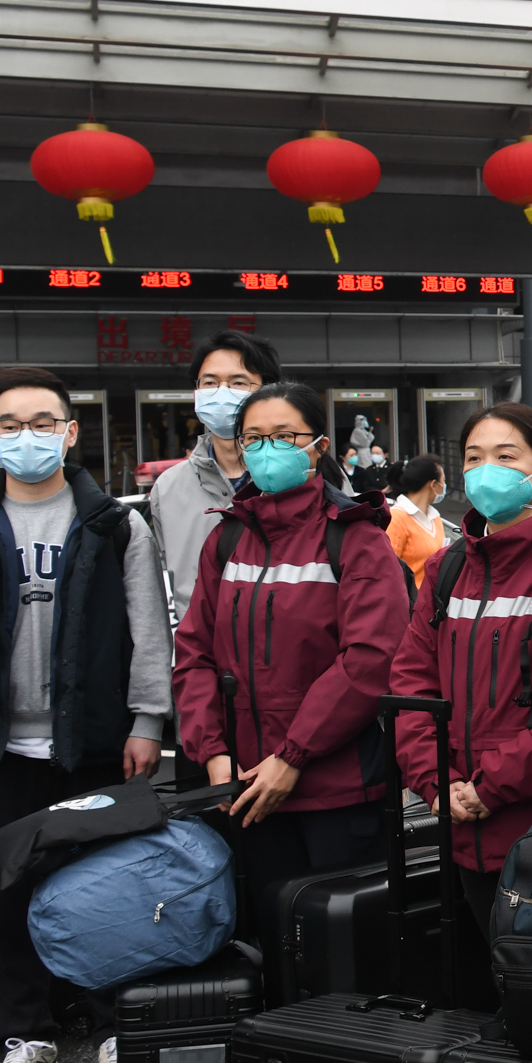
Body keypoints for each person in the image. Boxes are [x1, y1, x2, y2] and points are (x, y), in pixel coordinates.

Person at [0, 367, 171, 1063]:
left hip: (94, 742)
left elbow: (150, 633)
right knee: (10, 894)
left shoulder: (115, 523)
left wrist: (148, 720)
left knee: (107, 891)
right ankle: (29, 1037)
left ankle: (114, 1024)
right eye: (12, 425)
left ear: (71, 430)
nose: (30, 437)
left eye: (44, 422)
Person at [389, 405, 532, 999]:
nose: (487, 471)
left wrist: (490, 786)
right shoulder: (447, 567)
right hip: (458, 821)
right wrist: (437, 781)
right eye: (474, 458)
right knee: (484, 994)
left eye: (506, 457)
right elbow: (412, 681)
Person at [169, 382, 411, 892]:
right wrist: (213, 753)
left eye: (283, 436)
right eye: (253, 439)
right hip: (242, 785)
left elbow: (369, 659)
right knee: (264, 943)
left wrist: (292, 756)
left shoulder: (356, 537)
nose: (265, 449)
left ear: (319, 446)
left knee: (340, 949)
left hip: (337, 792)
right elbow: (194, 652)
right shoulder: (228, 536)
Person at [152, 331, 280, 628]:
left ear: (269, 391)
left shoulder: (307, 476)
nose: (221, 392)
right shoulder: (169, 487)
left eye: (238, 382)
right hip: (201, 660)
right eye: (209, 382)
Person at [384, 455, 449, 588]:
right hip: (409, 604)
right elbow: (387, 572)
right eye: (443, 481)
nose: (444, 486)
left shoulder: (435, 518)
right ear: (433, 485)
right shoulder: (396, 519)